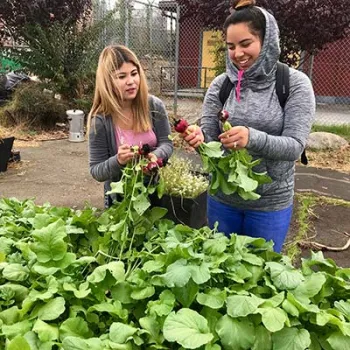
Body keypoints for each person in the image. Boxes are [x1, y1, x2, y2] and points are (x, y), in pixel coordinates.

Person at [181, 0, 315, 252]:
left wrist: (251, 138)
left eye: (245, 44)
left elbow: (295, 147)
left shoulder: (294, 84)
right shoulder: (221, 85)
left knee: (261, 277)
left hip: (269, 203)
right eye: (231, 46)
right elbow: (210, 138)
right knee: (219, 270)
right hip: (222, 199)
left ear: (267, 42)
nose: (237, 54)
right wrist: (199, 139)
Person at [88, 45, 173, 208]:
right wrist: (118, 160)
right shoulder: (100, 120)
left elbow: (167, 144)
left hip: (156, 192)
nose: (131, 82)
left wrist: (154, 157)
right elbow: (96, 171)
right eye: (121, 76)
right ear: (108, 81)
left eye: (134, 74)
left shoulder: (154, 106)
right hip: (120, 202)